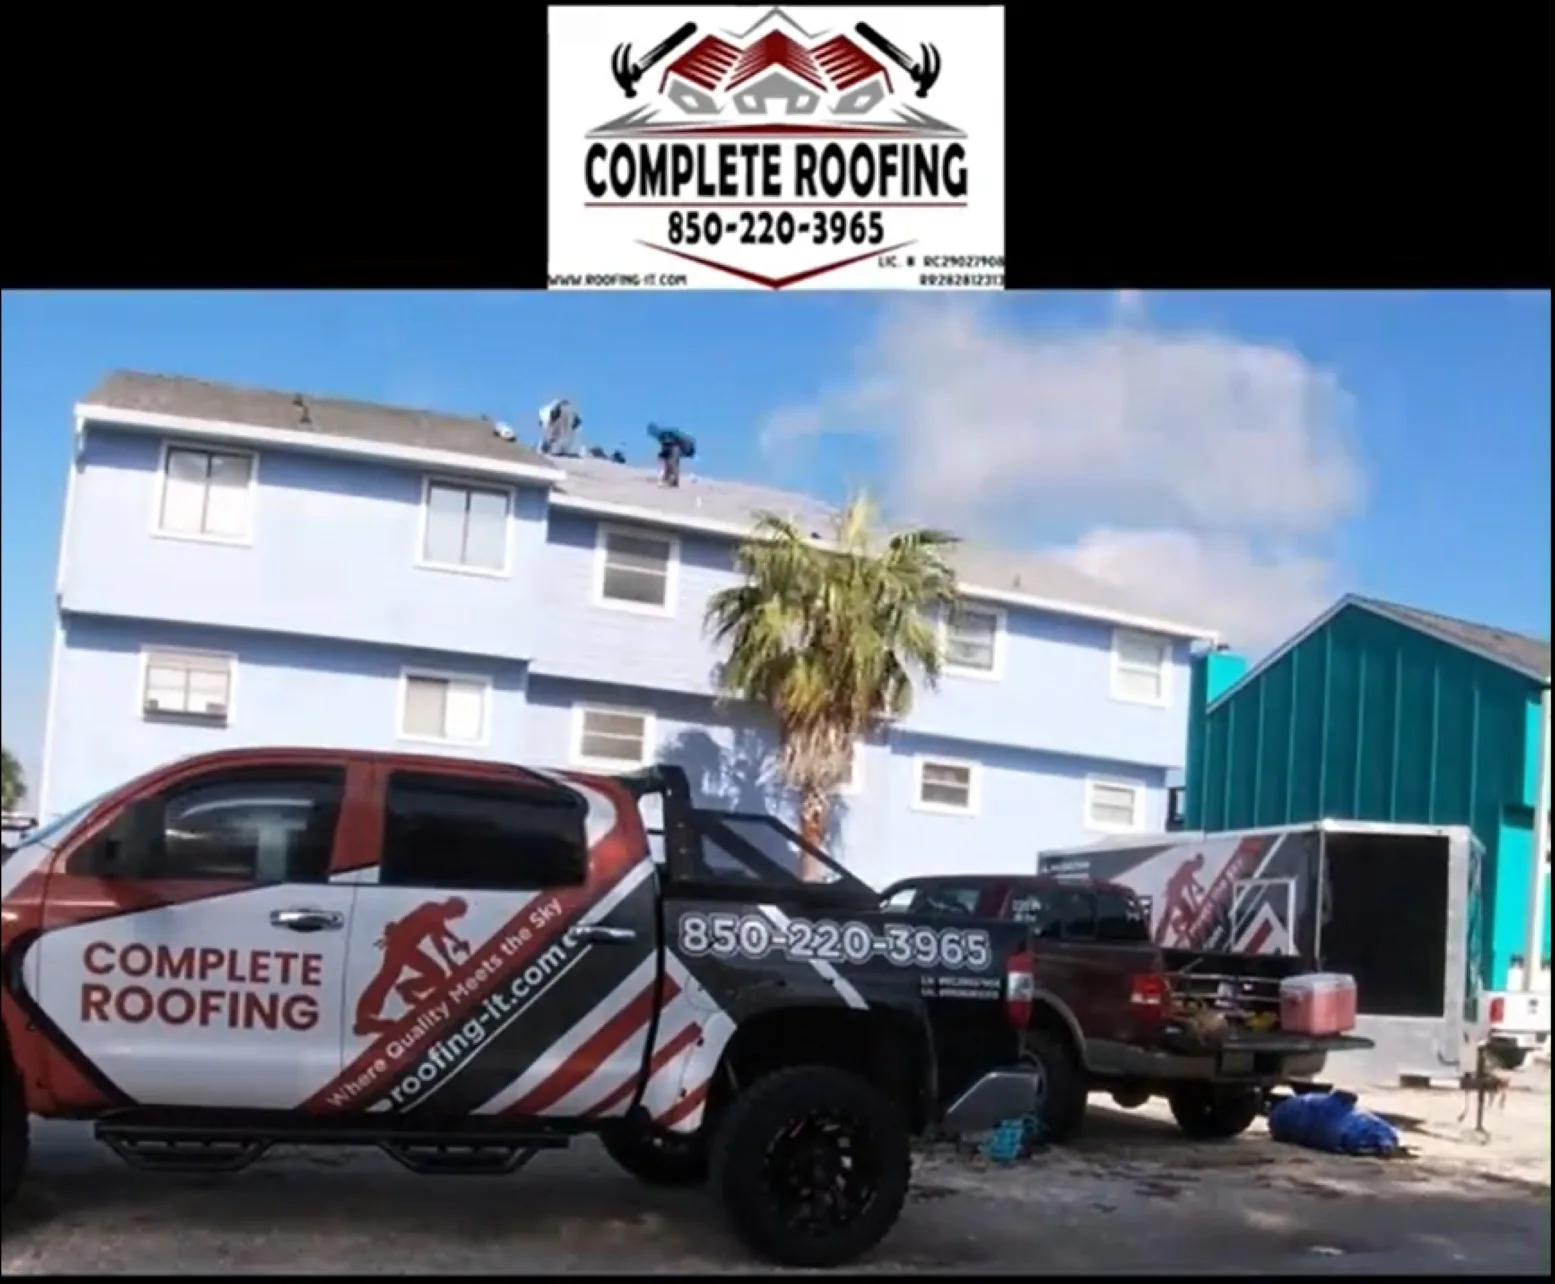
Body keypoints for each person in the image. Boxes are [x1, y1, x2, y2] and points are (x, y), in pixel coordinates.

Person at [353, 896, 472, 1036]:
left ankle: (370, 1014)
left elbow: (440, 931)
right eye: (455, 914)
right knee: (434, 975)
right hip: (401, 946)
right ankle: (401, 992)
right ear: (451, 906)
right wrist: (450, 961)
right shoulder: (432, 909)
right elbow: (438, 939)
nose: (453, 918)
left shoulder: (435, 913)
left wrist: (456, 943)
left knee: (388, 977)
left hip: (403, 946)